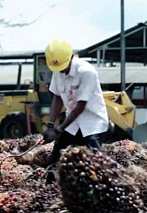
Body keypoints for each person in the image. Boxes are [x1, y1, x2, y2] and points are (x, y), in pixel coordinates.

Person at [43, 39, 109, 183]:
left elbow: (80, 106)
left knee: (95, 164)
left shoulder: (86, 72)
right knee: (55, 158)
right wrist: (50, 125)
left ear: (72, 57)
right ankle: (50, 187)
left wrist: (60, 128)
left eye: (63, 67)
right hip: (72, 123)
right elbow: (57, 98)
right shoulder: (57, 70)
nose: (61, 71)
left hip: (92, 123)